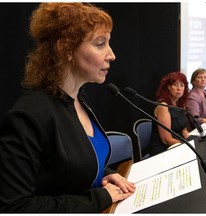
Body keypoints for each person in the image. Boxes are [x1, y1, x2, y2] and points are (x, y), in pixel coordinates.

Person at [0, 3, 135, 213]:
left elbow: (69, 166)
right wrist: (98, 198)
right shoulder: (28, 116)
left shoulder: (79, 98)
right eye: (100, 44)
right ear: (66, 49)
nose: (112, 55)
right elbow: (14, 207)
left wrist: (103, 174)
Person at [149, 72, 191, 156]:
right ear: (168, 87)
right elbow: (166, 140)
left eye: (182, 85)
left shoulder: (180, 105)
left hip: (177, 146)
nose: (179, 88)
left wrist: (192, 140)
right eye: (175, 85)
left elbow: (184, 130)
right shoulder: (163, 106)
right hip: (163, 151)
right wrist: (188, 146)